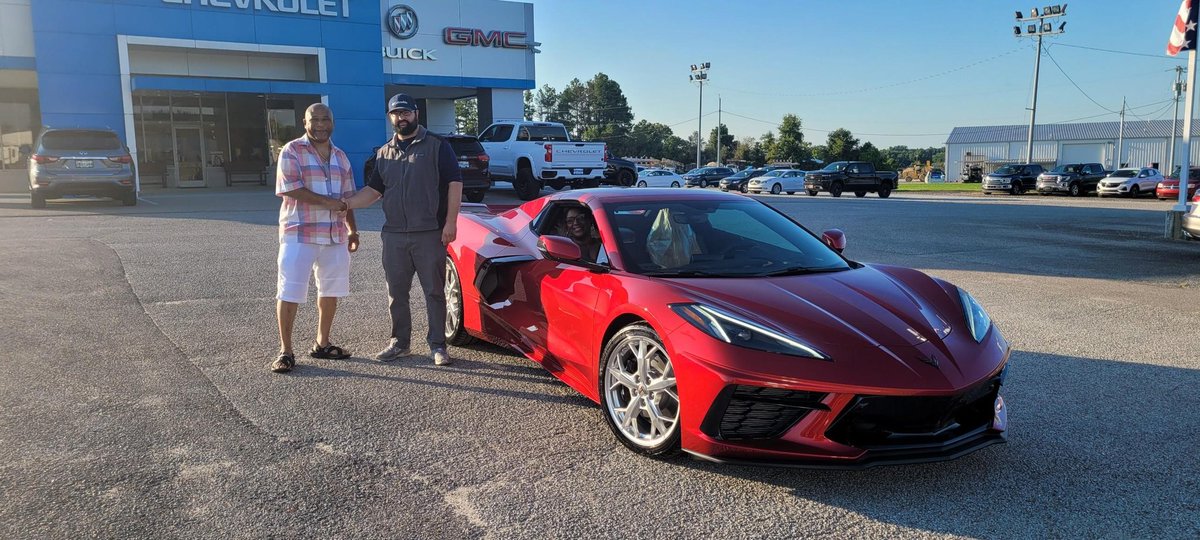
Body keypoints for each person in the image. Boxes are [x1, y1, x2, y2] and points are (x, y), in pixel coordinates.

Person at [343, 93, 462, 366]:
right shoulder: (383, 153)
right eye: (396, 114)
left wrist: (451, 222)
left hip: (429, 232)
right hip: (394, 234)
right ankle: (400, 343)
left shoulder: (437, 145)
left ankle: (437, 346)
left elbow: (455, 184)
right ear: (390, 117)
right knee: (396, 292)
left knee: (434, 292)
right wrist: (345, 203)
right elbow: (373, 191)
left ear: (416, 114)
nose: (401, 118)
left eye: (406, 112)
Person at [270, 103, 359, 373]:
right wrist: (330, 203)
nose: (320, 125)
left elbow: (348, 199)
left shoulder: (341, 157)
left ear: (332, 122)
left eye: (325, 119)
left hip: (334, 234)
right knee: (290, 290)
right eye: (315, 120)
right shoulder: (292, 150)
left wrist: (352, 229)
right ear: (305, 122)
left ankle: (322, 343)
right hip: (300, 232)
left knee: (331, 290)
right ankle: (286, 351)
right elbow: (291, 188)